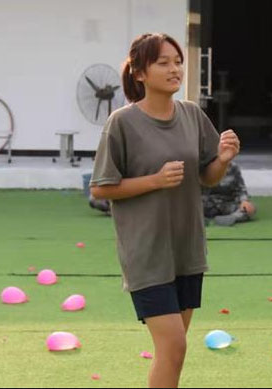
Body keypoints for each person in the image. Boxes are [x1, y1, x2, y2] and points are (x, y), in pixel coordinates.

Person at [90, 32, 240, 388]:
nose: (175, 69)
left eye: (178, 62)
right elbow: (100, 187)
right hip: (146, 253)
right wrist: (154, 181)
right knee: (172, 346)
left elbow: (207, 177)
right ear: (140, 73)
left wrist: (222, 158)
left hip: (186, 250)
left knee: (174, 351)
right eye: (163, 63)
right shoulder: (122, 123)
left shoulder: (191, 114)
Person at [201, 161, 256, 226]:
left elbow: (241, 189)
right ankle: (199, 219)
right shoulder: (201, 166)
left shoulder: (233, 167)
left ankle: (233, 217)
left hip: (226, 203)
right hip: (205, 203)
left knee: (250, 208)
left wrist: (244, 201)